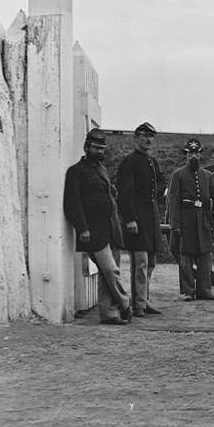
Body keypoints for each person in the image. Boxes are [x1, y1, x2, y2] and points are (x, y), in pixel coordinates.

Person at [63, 128, 132, 325]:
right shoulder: (75, 172)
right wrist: (82, 228)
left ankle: (108, 314)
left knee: (105, 273)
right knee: (111, 270)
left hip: (111, 227)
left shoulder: (101, 170)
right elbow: (73, 203)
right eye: (95, 148)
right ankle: (125, 304)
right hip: (93, 231)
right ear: (86, 148)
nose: (99, 152)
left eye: (102, 148)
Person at [116, 122, 167, 317]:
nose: (148, 139)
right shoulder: (130, 161)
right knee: (140, 263)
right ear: (135, 138)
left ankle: (143, 301)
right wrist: (129, 218)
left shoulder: (151, 161)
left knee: (151, 262)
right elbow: (124, 193)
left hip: (150, 218)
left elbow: (159, 182)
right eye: (144, 135)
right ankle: (137, 306)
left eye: (151, 136)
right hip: (136, 219)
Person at [166, 138, 214, 301]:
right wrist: (175, 224)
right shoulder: (177, 175)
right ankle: (189, 291)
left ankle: (204, 290)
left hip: (203, 219)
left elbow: (213, 200)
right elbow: (173, 201)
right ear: (186, 155)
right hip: (186, 219)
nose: (193, 157)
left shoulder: (208, 176)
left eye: (196, 153)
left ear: (200, 154)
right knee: (186, 258)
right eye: (190, 154)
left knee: (205, 256)